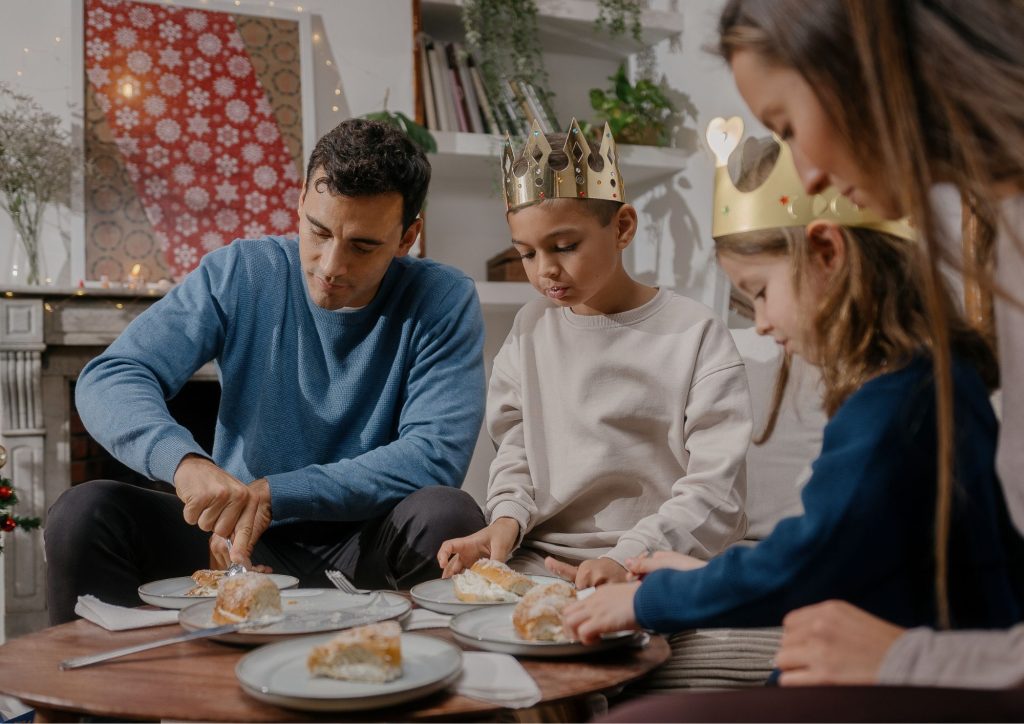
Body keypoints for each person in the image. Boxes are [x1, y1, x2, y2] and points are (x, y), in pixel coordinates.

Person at [562, 128, 1023, 648]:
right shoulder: (927, 378)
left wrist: (648, 601)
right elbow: (831, 544)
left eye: (759, 293)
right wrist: (694, 579)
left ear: (827, 250)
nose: (759, 323)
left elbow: (805, 562)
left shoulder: (897, 404)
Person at [44, 118, 487, 624]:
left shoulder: (443, 299)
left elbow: (434, 455)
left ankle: (423, 692)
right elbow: (113, 374)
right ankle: (94, 704)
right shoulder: (241, 271)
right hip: (231, 543)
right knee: (84, 513)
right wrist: (186, 465)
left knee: (448, 514)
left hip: (366, 541)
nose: (330, 265)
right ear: (299, 203)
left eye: (363, 246)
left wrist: (276, 493)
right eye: (318, 231)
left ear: (408, 236)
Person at [712, 0, 1024, 692]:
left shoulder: (904, 394)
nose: (808, 175)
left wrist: (905, 660)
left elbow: (810, 556)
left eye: (788, 127)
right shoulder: (1006, 232)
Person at [435, 120, 751, 589]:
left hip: (658, 561)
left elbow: (716, 490)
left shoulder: (695, 333)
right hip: (541, 561)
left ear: (622, 227)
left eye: (565, 246)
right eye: (525, 253)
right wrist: (505, 520)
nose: (545, 270)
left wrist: (626, 559)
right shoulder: (529, 330)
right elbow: (515, 451)